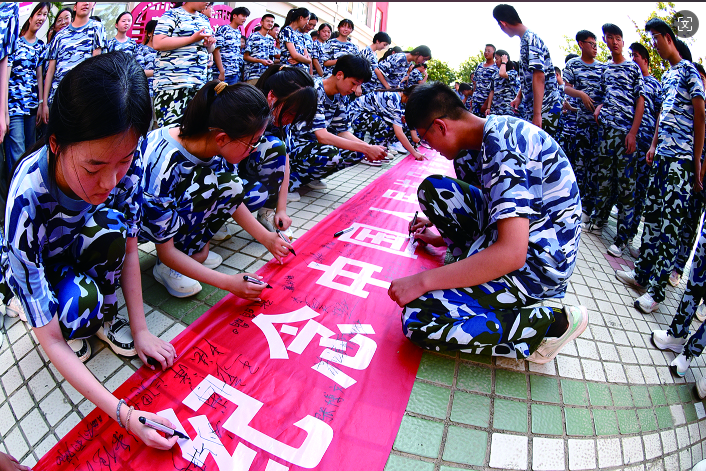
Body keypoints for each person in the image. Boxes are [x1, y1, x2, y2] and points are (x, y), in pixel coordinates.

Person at [0, 51, 180, 447]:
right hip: (41, 264)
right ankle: (25, 300)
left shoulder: (125, 165)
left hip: (81, 247)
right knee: (76, 312)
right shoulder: (27, 196)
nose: (110, 181)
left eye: (124, 161)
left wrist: (142, 330)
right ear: (55, 144)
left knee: (113, 229)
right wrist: (126, 415)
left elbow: (130, 247)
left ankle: (96, 310)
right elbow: (50, 341)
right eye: (93, 168)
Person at [389, 82, 585, 362]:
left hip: (537, 265)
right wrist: (440, 236)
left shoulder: (503, 147)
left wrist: (423, 281)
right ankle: (466, 272)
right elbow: (490, 206)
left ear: (441, 126)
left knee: (419, 319)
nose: (427, 146)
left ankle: (549, 324)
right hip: (517, 236)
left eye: (424, 137)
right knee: (434, 191)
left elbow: (512, 254)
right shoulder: (473, 144)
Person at [139, 81, 294, 299]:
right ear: (222, 138)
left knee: (232, 183)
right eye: (252, 143)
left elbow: (231, 195)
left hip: (175, 212)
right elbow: (166, 251)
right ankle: (169, 269)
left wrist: (267, 238)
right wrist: (229, 282)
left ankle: (191, 253)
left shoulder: (210, 141)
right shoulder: (163, 164)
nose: (254, 150)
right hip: (141, 228)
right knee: (211, 184)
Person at [616, 19, 705, 314]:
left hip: (681, 162)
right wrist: (653, 145)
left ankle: (656, 292)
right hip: (662, 157)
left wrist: (695, 157)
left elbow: (701, 114)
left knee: (670, 225)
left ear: (668, 38)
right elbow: (661, 115)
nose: (652, 45)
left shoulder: (690, 72)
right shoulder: (667, 77)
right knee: (652, 219)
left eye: (655, 39)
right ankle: (641, 276)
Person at [287, 54, 387, 198]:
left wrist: (368, 148)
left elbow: (342, 131)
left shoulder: (340, 96)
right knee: (330, 153)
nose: (355, 89)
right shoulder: (314, 90)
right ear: (339, 75)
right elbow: (322, 136)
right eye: (354, 83)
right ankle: (289, 182)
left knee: (356, 151)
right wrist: (367, 148)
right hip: (294, 145)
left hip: (311, 146)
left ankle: (307, 177)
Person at [589, 23, 644, 257]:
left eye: (618, 38)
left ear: (622, 41)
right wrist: (599, 108)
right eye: (609, 38)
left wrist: (633, 132)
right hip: (607, 132)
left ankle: (622, 240)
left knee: (626, 187)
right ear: (605, 41)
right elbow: (603, 96)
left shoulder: (633, 68)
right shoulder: (606, 69)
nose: (614, 42)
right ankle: (597, 222)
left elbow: (640, 100)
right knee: (604, 179)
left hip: (625, 135)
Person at [242, 65, 316, 230]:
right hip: (220, 174)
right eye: (290, 112)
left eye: (297, 116)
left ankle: (265, 211)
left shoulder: (281, 120)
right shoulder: (244, 110)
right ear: (272, 96)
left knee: (277, 149)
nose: (291, 119)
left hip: (241, 172)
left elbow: (285, 163)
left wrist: (281, 210)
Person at [493, 4, 562, 135]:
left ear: (503, 23)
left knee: (543, 152)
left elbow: (539, 76)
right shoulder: (525, 39)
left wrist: (537, 114)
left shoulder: (531, 39)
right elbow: (528, 76)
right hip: (536, 108)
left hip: (546, 108)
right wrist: (519, 96)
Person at [624, 42, 662, 259]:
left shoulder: (656, 85)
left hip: (646, 143)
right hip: (629, 139)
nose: (633, 59)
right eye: (631, 55)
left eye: (636, 55)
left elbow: (659, 114)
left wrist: (652, 145)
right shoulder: (630, 80)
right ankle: (621, 231)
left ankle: (630, 234)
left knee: (639, 191)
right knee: (626, 186)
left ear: (646, 60)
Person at [152, 2, 215, 127]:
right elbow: (158, 43)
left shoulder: (203, 19)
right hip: (173, 84)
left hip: (198, 84)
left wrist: (209, 44)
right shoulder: (171, 15)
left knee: (194, 131)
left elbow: (210, 49)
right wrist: (191, 39)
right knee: (171, 131)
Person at [42, 2, 106, 122]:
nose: (86, 3)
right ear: (75, 7)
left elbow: (95, 65)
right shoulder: (59, 36)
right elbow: (50, 70)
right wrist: (44, 103)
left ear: (94, 5)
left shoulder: (97, 28)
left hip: (82, 98)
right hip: (58, 98)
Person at [563, 31, 604, 219]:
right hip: (581, 125)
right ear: (581, 44)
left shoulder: (603, 68)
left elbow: (608, 93)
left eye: (596, 45)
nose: (595, 48)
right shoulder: (573, 65)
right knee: (579, 166)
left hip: (598, 126)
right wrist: (581, 94)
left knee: (595, 169)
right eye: (591, 44)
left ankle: (588, 208)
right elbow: (565, 87)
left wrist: (600, 106)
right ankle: (574, 205)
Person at [4, 3, 47, 174]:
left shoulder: (40, 46)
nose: (41, 18)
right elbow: (6, 76)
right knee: (17, 152)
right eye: (38, 14)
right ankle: (13, 193)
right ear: (30, 17)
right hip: (13, 106)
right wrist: (4, 110)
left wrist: (41, 103)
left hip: (31, 106)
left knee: (30, 151)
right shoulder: (15, 43)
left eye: (44, 15)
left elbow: (39, 77)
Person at [351, 85, 425, 161]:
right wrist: (414, 152)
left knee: (394, 122)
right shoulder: (394, 99)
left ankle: (380, 151)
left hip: (361, 114)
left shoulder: (397, 95)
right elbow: (399, 133)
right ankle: (372, 155)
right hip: (354, 116)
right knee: (386, 125)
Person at [213, 6, 249, 84]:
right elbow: (216, 50)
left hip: (234, 74)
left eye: (246, 17)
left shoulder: (238, 32)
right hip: (222, 74)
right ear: (234, 16)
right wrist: (221, 71)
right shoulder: (224, 29)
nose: (245, 19)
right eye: (243, 16)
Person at [243, 13, 277, 85]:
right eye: (268, 21)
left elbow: (271, 57)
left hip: (265, 75)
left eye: (272, 22)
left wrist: (271, 63)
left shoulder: (271, 39)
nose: (270, 23)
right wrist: (260, 61)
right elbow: (245, 56)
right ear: (261, 22)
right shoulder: (253, 36)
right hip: (252, 75)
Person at [484, 49, 517, 116]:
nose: (495, 61)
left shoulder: (512, 73)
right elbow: (492, 91)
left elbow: (502, 74)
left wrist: (504, 62)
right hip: (496, 109)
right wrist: (488, 108)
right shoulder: (494, 75)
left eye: (497, 59)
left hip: (508, 109)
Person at [470, 44, 498, 117]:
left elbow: (494, 88)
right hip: (476, 101)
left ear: (494, 53)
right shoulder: (480, 65)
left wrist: (486, 104)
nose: (486, 52)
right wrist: (473, 98)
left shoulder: (496, 68)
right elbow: (475, 83)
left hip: (486, 102)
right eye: (485, 50)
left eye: (489, 51)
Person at [136, 19, 158, 98]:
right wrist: (161, 72)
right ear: (149, 33)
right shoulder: (140, 49)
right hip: (147, 93)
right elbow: (139, 72)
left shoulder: (166, 51)